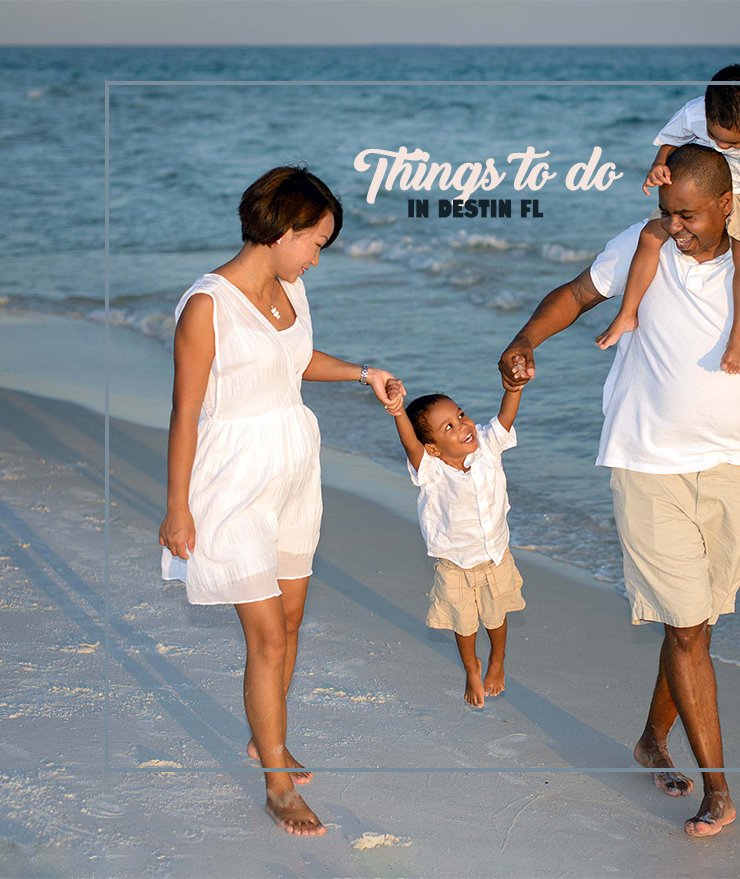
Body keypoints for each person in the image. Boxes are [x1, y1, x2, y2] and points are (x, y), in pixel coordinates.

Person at [499, 144, 740, 838]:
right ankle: (718, 791)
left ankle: (652, 739)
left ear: (723, 204)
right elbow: (574, 294)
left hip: (737, 465)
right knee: (686, 626)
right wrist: (525, 337)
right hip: (647, 461)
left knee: (698, 623)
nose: (672, 226)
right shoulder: (642, 244)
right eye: (664, 213)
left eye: (686, 215)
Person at [158, 166, 403, 836]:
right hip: (231, 478)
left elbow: (289, 362)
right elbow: (184, 414)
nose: (318, 257)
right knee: (265, 634)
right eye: (315, 241)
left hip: (294, 462)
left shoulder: (290, 287)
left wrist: (362, 372)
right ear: (284, 229)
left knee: (290, 620)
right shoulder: (207, 306)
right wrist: (177, 507)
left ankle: (268, 735)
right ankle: (275, 782)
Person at [595, 64, 740, 375]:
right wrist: (659, 165)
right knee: (649, 236)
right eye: (714, 136)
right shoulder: (694, 113)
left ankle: (737, 337)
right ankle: (627, 312)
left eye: (733, 144)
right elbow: (669, 142)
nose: (721, 146)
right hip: (700, 189)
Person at [382, 378, 526, 708]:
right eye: (449, 426)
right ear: (433, 448)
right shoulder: (430, 470)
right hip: (454, 563)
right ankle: (471, 667)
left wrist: (514, 388)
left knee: (496, 615)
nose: (463, 425)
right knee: (463, 622)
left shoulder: (488, 447)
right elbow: (410, 444)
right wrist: (397, 411)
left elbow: (505, 417)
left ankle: (497, 661)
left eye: (461, 415)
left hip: (494, 554)